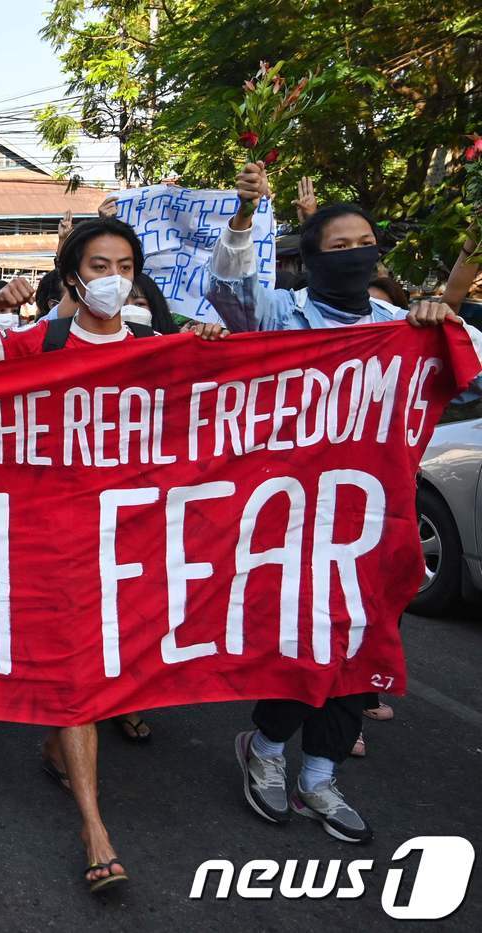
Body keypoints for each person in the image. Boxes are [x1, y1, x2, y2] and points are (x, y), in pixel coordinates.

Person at [0, 217, 226, 895]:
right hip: (51, 543)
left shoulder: (155, 348)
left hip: (128, 545)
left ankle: (58, 750)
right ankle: (95, 828)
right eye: (97, 266)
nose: (112, 279)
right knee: (78, 673)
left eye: (124, 265)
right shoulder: (39, 341)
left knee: (89, 674)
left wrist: (208, 341)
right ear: (71, 278)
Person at [207, 159, 480, 844]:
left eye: (366, 245)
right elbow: (230, 287)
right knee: (301, 643)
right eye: (339, 246)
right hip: (293, 518)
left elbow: (469, 370)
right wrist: (243, 216)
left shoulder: (401, 324)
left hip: (372, 520)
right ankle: (266, 750)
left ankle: (320, 775)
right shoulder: (279, 314)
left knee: (361, 649)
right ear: (311, 258)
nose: (356, 256)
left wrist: (443, 319)